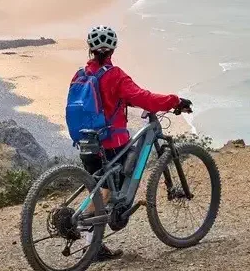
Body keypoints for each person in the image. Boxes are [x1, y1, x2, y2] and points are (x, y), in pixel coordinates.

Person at [72, 25, 191, 262]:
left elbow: (110, 100)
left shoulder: (81, 75)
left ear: (90, 49)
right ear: (113, 49)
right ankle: (89, 243)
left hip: (86, 140)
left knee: (100, 188)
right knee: (106, 191)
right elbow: (142, 96)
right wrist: (175, 100)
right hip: (111, 142)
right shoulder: (115, 76)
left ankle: (93, 240)